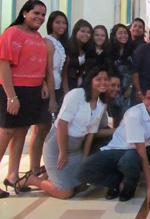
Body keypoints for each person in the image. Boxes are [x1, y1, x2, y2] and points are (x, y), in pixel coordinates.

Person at [20, 67, 108, 199]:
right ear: (90, 80)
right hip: (57, 147)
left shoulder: (102, 103)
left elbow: (91, 133)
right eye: (98, 79)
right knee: (65, 193)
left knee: (82, 186)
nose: (103, 82)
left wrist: (85, 156)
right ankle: (33, 180)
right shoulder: (77, 94)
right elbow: (62, 124)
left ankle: (50, 176)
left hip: (76, 150)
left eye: (106, 79)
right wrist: (62, 152)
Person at [76, 86, 150, 208]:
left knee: (128, 161)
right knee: (82, 171)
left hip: (133, 152)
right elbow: (141, 150)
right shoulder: (134, 114)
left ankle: (129, 187)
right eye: (148, 98)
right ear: (143, 99)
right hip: (116, 148)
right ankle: (115, 182)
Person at [0, 0, 49, 198]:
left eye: (43, 15)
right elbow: (4, 64)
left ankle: (12, 176)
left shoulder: (37, 36)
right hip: (14, 89)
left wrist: (44, 83)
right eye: (36, 13)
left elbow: (37, 64)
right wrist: (11, 96)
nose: (40, 17)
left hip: (32, 90)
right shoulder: (12, 33)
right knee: (6, 133)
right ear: (25, 13)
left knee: (21, 132)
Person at [31, 11, 68, 177]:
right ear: (51, 24)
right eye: (58, 22)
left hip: (58, 88)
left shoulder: (59, 43)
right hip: (47, 91)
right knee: (41, 129)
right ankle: (34, 168)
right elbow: (47, 71)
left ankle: (42, 164)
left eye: (64, 23)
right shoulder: (48, 42)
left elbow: (61, 71)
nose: (61, 26)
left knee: (47, 129)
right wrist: (52, 98)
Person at [109, 24, 138, 121]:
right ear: (114, 35)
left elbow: (135, 70)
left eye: (125, 33)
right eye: (120, 33)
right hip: (115, 87)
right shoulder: (110, 50)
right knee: (116, 117)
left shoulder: (133, 49)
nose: (123, 35)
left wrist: (130, 87)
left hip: (129, 88)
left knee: (128, 117)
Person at [63, 19, 95, 92]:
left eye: (88, 32)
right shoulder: (68, 47)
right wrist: (66, 91)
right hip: (67, 85)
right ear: (76, 32)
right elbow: (64, 72)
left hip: (78, 86)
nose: (86, 34)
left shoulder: (86, 49)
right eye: (82, 31)